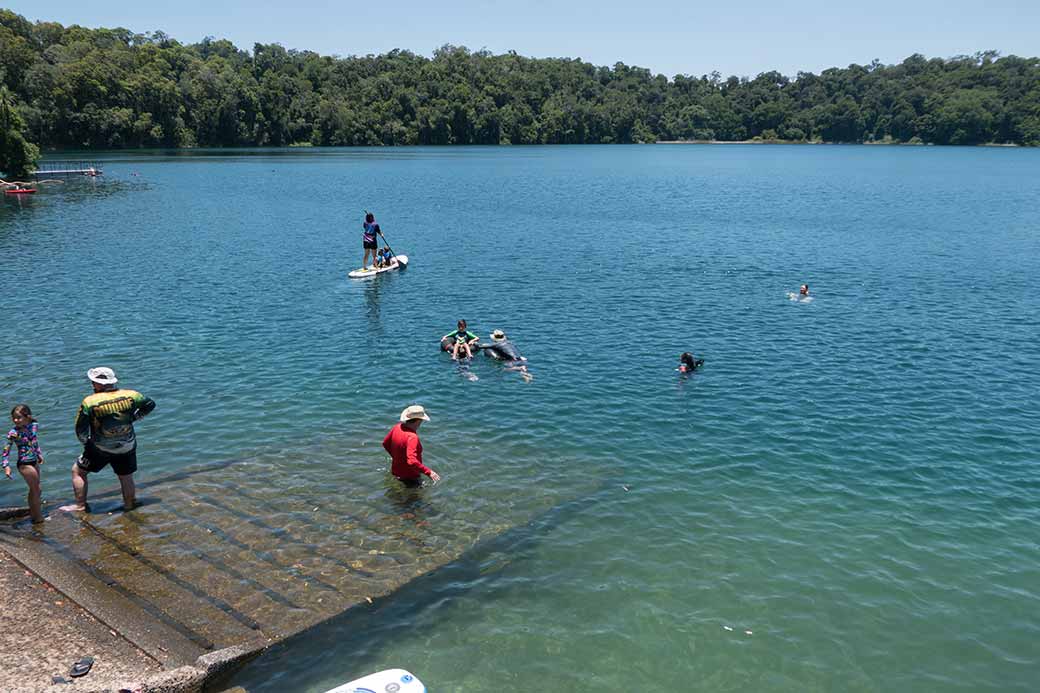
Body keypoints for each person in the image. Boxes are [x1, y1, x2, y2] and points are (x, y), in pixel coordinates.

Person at [70, 367, 155, 512]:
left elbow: (80, 429)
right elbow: (150, 404)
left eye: (93, 382)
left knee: (78, 471)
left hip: (101, 447)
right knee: (126, 476)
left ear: (99, 384)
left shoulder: (90, 402)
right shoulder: (132, 395)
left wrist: (87, 444)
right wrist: (134, 418)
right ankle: (129, 504)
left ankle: (80, 505)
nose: (92, 385)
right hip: (127, 444)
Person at [3, 404, 45, 523]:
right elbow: (6, 449)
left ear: (27, 417)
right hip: (24, 463)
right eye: (14, 418)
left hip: (34, 461)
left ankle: (34, 514)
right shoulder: (13, 433)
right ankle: (37, 518)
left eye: (19, 417)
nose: (16, 420)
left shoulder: (33, 426)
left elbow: (34, 441)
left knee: (36, 489)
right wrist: (6, 466)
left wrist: (39, 454)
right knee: (36, 489)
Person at [382, 405, 441, 487]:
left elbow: (385, 443)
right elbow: (412, 461)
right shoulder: (412, 437)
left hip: (395, 471)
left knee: (397, 495)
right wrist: (429, 472)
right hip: (410, 477)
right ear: (418, 421)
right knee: (415, 498)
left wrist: (397, 457)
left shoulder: (397, 427)